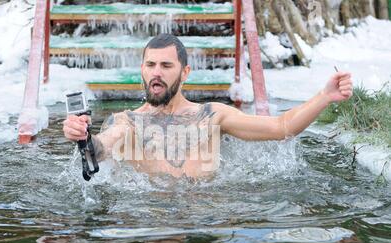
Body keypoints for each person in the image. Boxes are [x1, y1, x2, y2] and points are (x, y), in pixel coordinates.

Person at [63, 34, 353, 178]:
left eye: (166, 65)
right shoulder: (126, 121)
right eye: (150, 65)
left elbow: (282, 127)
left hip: (206, 216)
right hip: (145, 220)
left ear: (185, 72)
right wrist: (83, 136)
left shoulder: (212, 116)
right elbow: (99, 150)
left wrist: (324, 96)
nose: (156, 73)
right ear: (142, 69)